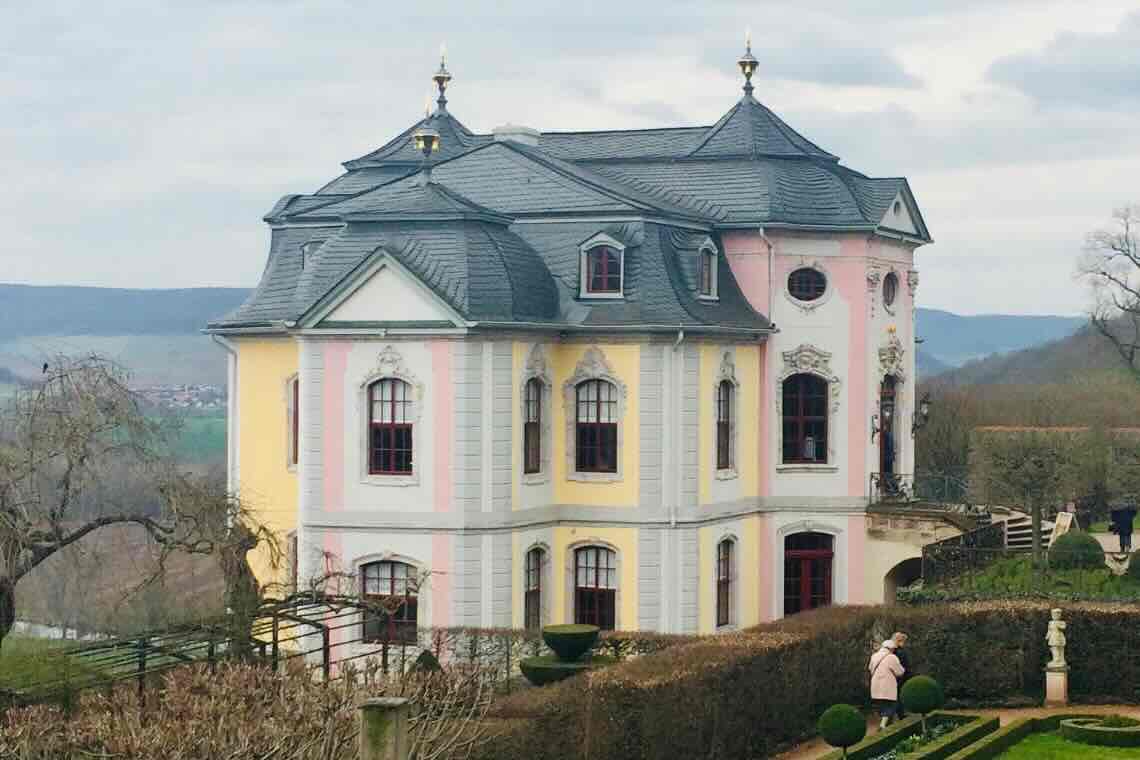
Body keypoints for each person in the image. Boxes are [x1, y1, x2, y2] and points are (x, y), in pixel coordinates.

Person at [869, 639, 905, 730]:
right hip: (887, 686)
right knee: (892, 705)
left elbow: (870, 668)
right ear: (891, 648)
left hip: (875, 685)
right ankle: (882, 725)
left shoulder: (874, 656)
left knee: (882, 705)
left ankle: (884, 725)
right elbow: (899, 672)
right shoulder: (892, 657)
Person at [893, 632, 911, 717]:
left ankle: (899, 713)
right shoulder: (900, 652)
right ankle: (900, 714)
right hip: (900, 676)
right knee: (898, 696)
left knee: (897, 695)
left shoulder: (893, 651)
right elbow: (904, 665)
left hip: (897, 676)